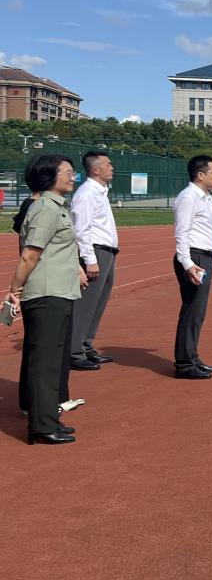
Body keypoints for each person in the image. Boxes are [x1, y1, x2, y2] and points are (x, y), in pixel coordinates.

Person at [5, 154, 88, 444]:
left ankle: (48, 418)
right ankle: (41, 426)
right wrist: (14, 290)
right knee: (44, 361)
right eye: (67, 172)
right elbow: (30, 254)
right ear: (48, 176)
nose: (72, 176)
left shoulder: (55, 207)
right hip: (46, 293)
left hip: (59, 291)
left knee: (52, 361)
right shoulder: (44, 209)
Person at [172, 155, 212, 380]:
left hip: (204, 258)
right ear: (200, 175)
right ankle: (184, 364)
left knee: (198, 312)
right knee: (192, 310)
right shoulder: (188, 198)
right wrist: (188, 264)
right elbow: (181, 233)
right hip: (195, 258)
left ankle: (192, 357)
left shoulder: (205, 197)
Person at [69, 151, 119, 371]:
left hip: (107, 252)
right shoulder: (87, 193)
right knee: (86, 303)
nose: (112, 167)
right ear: (96, 170)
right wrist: (90, 260)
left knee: (98, 302)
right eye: (108, 164)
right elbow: (81, 229)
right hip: (95, 252)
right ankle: (74, 351)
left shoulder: (100, 192)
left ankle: (86, 345)